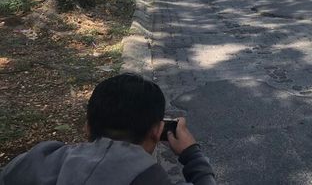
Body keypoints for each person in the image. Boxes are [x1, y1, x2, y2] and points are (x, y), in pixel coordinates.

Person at [0, 73, 216, 185]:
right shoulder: (146, 177)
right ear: (156, 132)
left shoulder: (37, 160)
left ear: (88, 127)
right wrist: (192, 154)